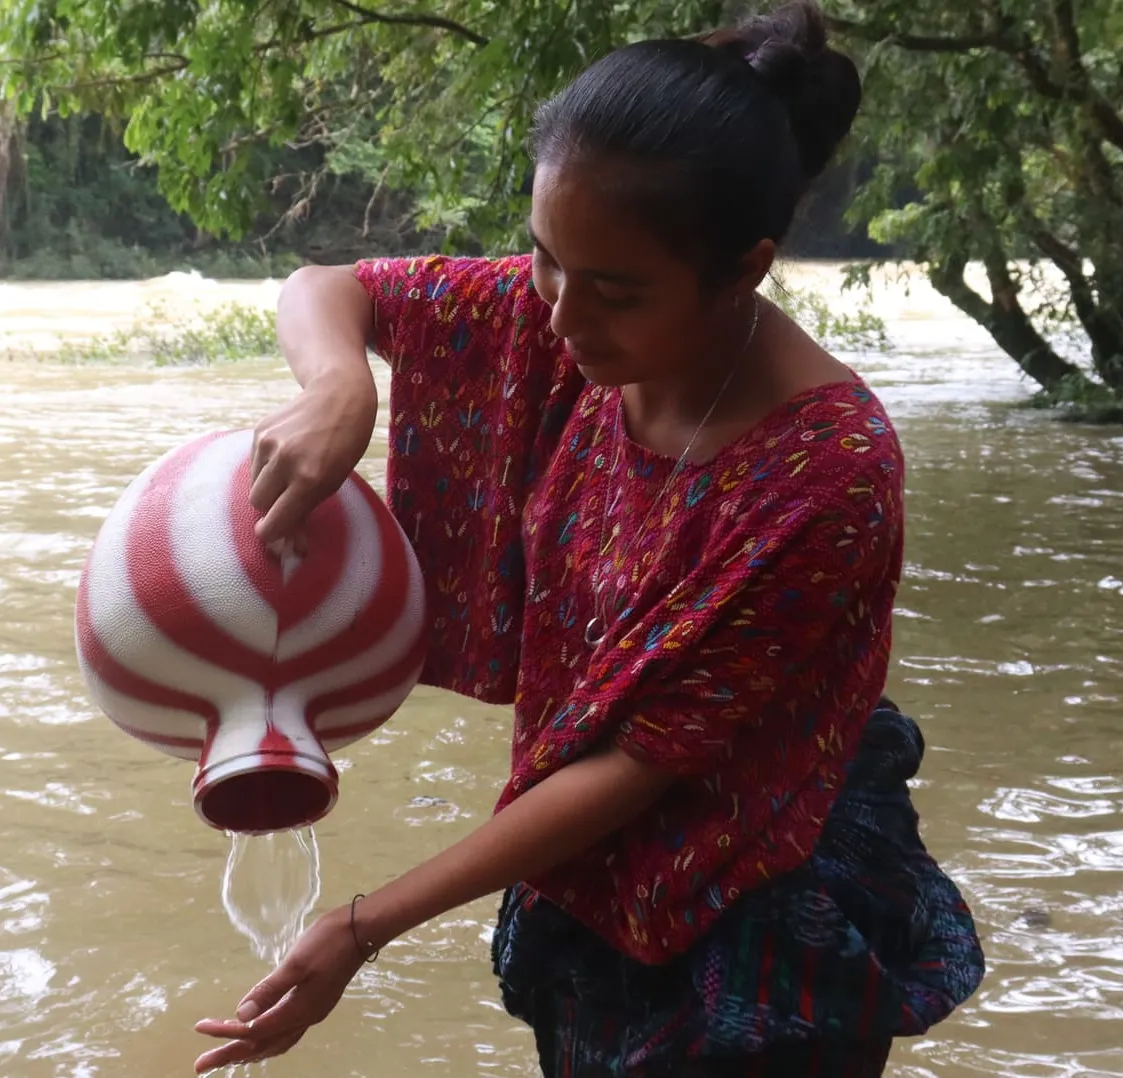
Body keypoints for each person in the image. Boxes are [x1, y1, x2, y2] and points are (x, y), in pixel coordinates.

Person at [194, 3, 985, 1074]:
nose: (562, 315)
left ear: (745, 269)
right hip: (586, 883)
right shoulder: (572, 323)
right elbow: (328, 289)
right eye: (544, 257)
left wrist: (362, 926)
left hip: (757, 914)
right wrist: (340, 387)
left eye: (613, 290)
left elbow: (633, 765)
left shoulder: (828, 471)